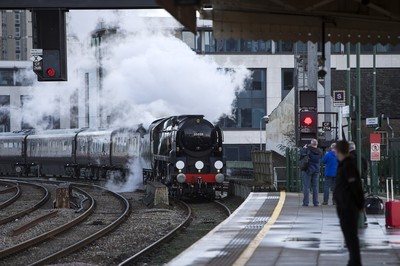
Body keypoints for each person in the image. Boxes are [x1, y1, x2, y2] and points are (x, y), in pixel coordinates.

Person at [334, 140, 364, 266]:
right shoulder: (344, 164)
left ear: (339, 151)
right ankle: (353, 260)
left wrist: (360, 204)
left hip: (348, 206)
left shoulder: (348, 165)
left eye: (335, 150)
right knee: (349, 236)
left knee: (351, 236)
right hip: (344, 205)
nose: (334, 153)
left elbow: (355, 186)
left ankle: (355, 262)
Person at [300, 139, 322, 207]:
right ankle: (316, 202)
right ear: (317, 144)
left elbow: (302, 155)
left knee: (306, 187)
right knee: (315, 187)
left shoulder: (308, 150)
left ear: (311, 144)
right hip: (316, 170)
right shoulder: (319, 151)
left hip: (308, 170)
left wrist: (303, 149)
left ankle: (306, 202)